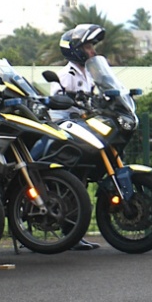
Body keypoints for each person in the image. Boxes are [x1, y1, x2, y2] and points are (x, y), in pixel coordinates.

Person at [53, 23, 110, 251]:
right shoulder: (65, 75)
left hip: (84, 129)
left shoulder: (90, 73)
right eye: (88, 46)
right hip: (67, 132)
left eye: (92, 46)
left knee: (82, 178)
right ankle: (70, 231)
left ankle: (74, 233)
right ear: (75, 49)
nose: (92, 51)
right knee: (73, 179)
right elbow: (57, 105)